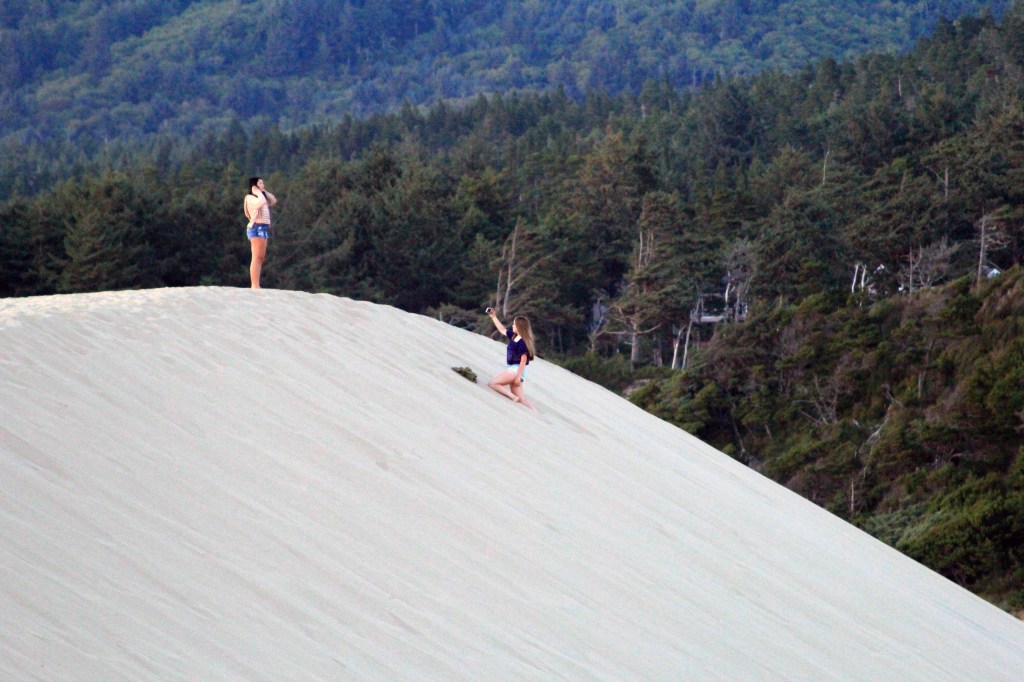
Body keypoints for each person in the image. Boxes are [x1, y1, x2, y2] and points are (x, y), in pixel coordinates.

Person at [485, 307, 536, 409]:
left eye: (514, 324)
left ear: (519, 326)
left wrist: (517, 377)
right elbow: (502, 330)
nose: (512, 325)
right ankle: (536, 413)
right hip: (515, 370)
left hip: (516, 370)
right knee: (523, 400)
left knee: (493, 384)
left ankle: (512, 397)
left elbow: (523, 360)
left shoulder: (522, 342)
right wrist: (493, 316)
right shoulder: (514, 336)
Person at [243, 176, 277, 288]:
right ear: (254, 186)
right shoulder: (250, 198)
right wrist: (257, 191)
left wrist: (263, 191)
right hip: (256, 227)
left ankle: (256, 283)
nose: (263, 185)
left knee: (261, 257)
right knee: (257, 256)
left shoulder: (261, 196)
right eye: (260, 183)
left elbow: (273, 200)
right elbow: (261, 203)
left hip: (263, 227)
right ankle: (255, 284)